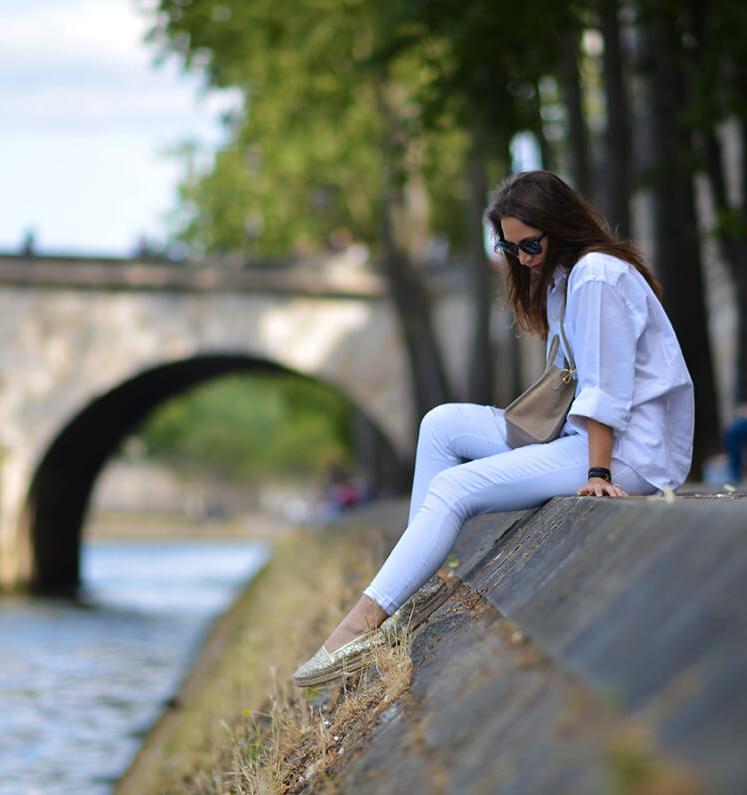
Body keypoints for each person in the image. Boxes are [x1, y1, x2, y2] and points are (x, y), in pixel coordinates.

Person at [292, 170, 695, 687]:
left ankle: (361, 623)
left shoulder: (595, 274)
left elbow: (607, 388)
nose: (523, 258)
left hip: (630, 454)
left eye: (531, 244)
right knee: (441, 424)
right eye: (510, 247)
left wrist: (598, 470)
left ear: (560, 225)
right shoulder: (561, 279)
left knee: (455, 487)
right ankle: (411, 585)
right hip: (583, 437)